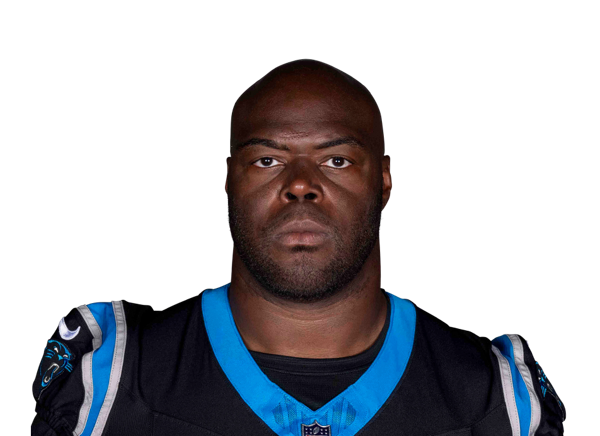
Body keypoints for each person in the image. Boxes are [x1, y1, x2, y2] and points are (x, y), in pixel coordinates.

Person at [31, 59, 566, 436]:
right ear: (228, 180)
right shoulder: (108, 384)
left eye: (337, 160)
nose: (301, 185)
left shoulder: (497, 401)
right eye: (268, 160)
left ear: (384, 180)